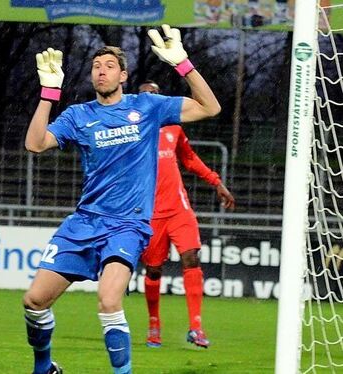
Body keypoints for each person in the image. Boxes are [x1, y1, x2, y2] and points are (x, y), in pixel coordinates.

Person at [22, 25, 221, 374]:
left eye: (109, 65)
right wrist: (48, 94)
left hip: (127, 224)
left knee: (110, 299)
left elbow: (210, 106)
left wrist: (183, 64)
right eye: (96, 65)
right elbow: (35, 143)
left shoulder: (147, 107)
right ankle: (44, 368)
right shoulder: (78, 116)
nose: (101, 69)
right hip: (84, 222)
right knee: (35, 301)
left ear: (123, 75)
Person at [137, 80, 235, 349]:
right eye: (146, 95)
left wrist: (216, 182)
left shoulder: (173, 127)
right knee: (154, 270)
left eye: (156, 94)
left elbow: (189, 159)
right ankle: (154, 323)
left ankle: (196, 327)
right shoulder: (131, 133)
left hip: (179, 209)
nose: (152, 99)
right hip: (150, 214)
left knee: (191, 257)